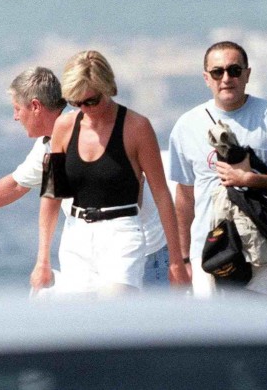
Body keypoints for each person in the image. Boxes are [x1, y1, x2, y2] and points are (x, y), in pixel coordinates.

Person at [0, 66, 172, 289]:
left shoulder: (90, 127)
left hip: (144, 251)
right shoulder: (48, 143)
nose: (15, 117)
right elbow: (16, 184)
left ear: (35, 106)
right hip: (92, 250)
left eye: (17, 109)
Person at [30, 50, 190, 295]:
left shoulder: (137, 127)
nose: (85, 109)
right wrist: (42, 259)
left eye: (91, 101)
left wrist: (176, 261)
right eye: (76, 103)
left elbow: (161, 195)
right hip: (76, 236)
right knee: (78, 316)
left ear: (107, 88)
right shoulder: (63, 127)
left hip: (122, 234)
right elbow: (52, 195)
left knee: (116, 310)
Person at [168, 41, 267, 299]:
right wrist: (183, 258)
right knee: (216, 326)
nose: (226, 78)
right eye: (217, 72)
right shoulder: (186, 126)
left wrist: (252, 179)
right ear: (206, 78)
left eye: (234, 70)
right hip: (213, 252)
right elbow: (185, 197)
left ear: (247, 74)